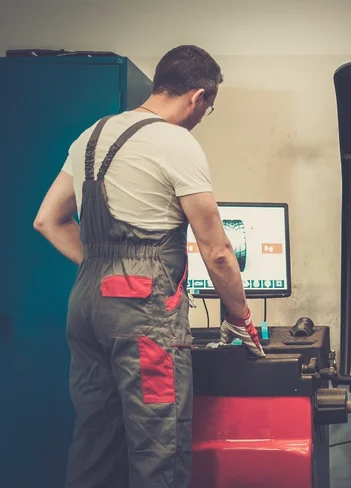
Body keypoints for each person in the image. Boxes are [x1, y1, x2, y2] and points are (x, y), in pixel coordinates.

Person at [33, 45, 264, 488]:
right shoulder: (177, 142)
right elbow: (216, 250)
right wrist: (241, 318)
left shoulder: (91, 135)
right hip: (143, 317)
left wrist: (106, 269)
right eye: (207, 108)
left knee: (94, 439)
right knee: (157, 445)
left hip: (85, 306)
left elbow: (47, 220)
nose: (201, 117)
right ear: (198, 97)